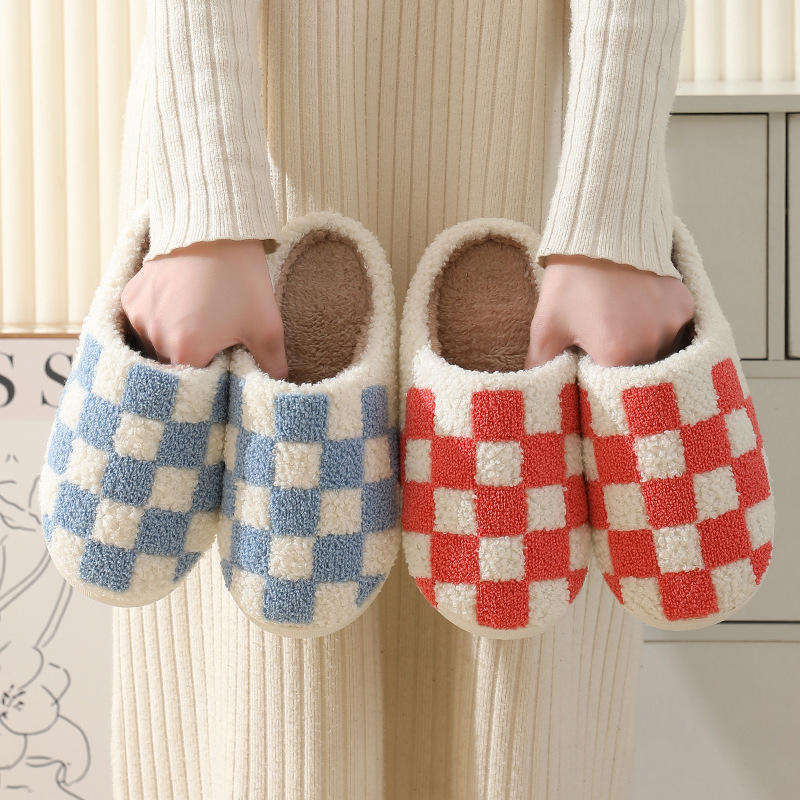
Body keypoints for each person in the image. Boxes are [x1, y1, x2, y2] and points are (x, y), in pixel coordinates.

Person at [113, 2, 690, 798]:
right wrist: (205, 211)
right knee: (273, 691)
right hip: (251, 169)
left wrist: (608, 219)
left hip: (533, 170)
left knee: (511, 653)